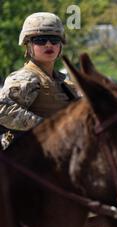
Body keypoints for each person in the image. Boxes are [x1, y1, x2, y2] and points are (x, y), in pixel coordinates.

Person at [0, 12, 78, 149]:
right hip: (30, 160)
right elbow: (3, 110)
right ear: (28, 45)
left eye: (54, 40)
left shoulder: (64, 82)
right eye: (41, 40)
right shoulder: (25, 78)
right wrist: (46, 127)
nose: (49, 44)